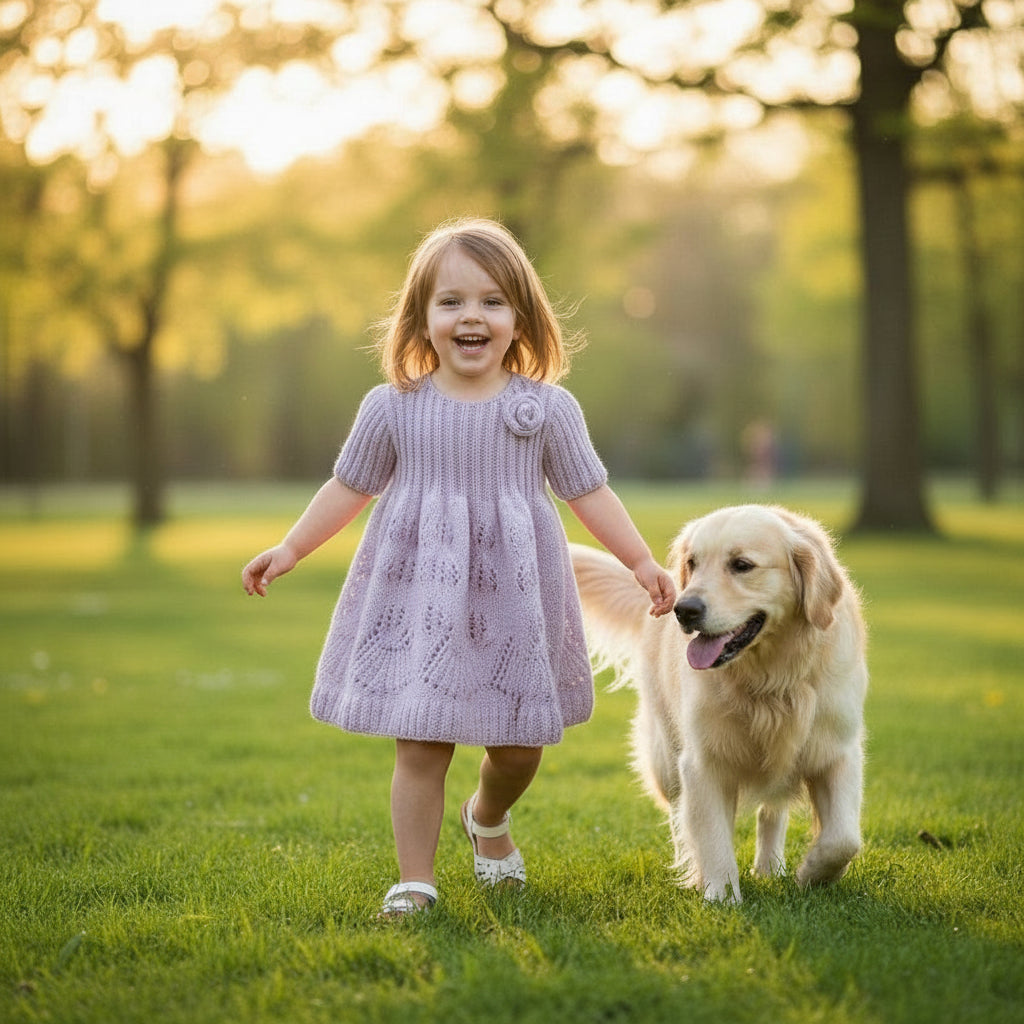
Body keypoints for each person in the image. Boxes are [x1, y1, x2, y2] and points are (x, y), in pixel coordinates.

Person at [242, 218, 675, 918]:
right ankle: (417, 880)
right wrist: (291, 548)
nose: (471, 315)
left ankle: (488, 819)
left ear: (520, 320)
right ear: (422, 318)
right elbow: (349, 486)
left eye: (492, 301)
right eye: (451, 302)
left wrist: (641, 562)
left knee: (518, 746)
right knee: (420, 740)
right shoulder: (392, 407)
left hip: (515, 600)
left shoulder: (546, 409)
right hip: (423, 598)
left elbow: (588, 490)